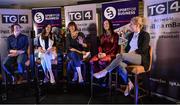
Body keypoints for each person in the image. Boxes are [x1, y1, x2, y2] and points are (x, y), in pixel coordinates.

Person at [93, 16, 150, 96]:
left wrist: (126, 55)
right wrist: (121, 50)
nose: (129, 26)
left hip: (140, 58)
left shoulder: (145, 35)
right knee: (118, 64)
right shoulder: (130, 35)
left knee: (122, 55)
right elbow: (126, 48)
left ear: (137, 25)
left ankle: (104, 72)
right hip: (129, 58)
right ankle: (129, 83)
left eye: (131, 24)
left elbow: (143, 49)